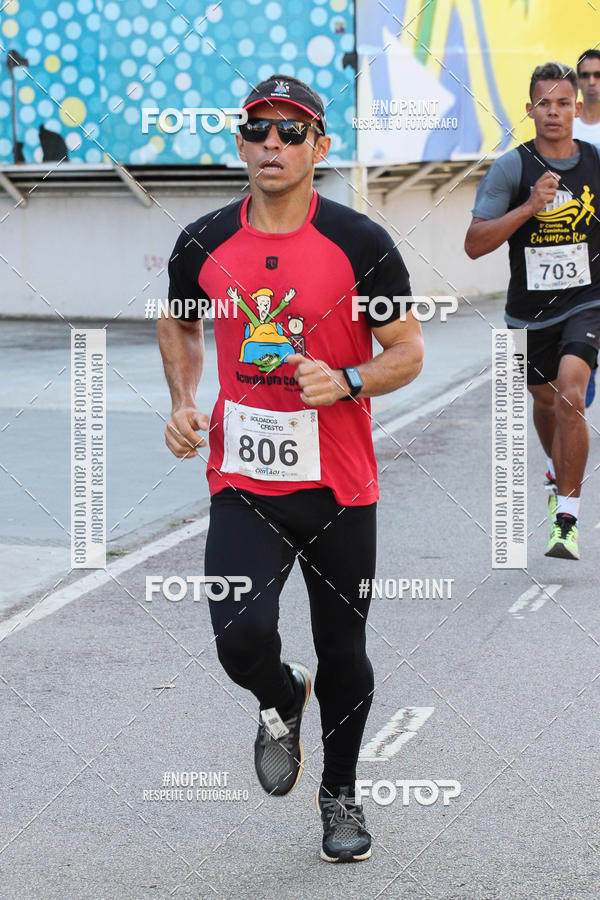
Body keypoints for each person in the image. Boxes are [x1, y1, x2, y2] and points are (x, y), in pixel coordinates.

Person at [158, 74, 424, 862]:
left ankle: (340, 796)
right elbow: (178, 323)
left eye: (290, 130)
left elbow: (407, 350)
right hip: (244, 482)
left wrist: (347, 380)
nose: (271, 143)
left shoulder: (360, 242)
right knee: (239, 638)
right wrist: (183, 401)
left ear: (320, 145)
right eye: (257, 129)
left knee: (344, 650)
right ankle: (281, 693)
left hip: (339, 484)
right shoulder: (203, 240)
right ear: (241, 142)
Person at [465, 62, 600, 560]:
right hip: (527, 314)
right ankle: (556, 470)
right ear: (529, 110)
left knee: (571, 395)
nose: (554, 112)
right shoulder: (512, 168)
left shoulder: (595, 163)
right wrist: (527, 207)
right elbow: (473, 244)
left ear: (577, 109)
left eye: (563, 103)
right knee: (545, 403)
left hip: (587, 302)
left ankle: (567, 520)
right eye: (544, 103)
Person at [573, 49, 600, 407]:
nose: (592, 82)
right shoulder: (569, 127)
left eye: (598, 75)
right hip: (576, 243)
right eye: (585, 75)